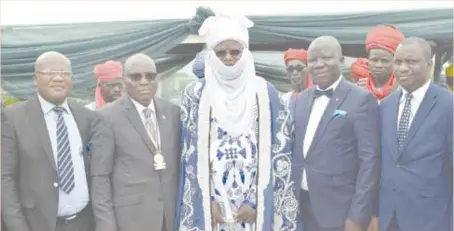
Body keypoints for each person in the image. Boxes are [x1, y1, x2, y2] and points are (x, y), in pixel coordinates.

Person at [175, 15, 298, 231]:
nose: (228, 58)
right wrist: (205, 202)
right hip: (213, 207)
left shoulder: (266, 92)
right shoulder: (195, 95)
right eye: (220, 52)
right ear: (211, 55)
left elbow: (280, 153)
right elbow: (189, 156)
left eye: (235, 52)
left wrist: (258, 201)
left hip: (254, 205)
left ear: (246, 53)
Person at [291, 36, 380, 231]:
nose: (319, 64)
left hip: (339, 212)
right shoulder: (301, 100)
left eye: (326, 58)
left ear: (341, 61)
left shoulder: (361, 100)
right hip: (301, 209)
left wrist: (358, 216)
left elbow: (369, 161)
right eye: (312, 60)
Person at [2, 51, 96, 231]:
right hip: (36, 224)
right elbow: (5, 179)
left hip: (84, 222)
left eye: (65, 73)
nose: (58, 78)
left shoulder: (86, 117)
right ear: (35, 78)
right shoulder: (13, 118)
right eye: (51, 73)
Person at [90, 53, 181, 231]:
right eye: (136, 77)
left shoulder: (173, 112)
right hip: (130, 220)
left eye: (150, 76)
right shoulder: (106, 117)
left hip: (171, 217)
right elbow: (100, 177)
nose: (144, 81)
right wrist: (106, 225)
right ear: (124, 81)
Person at [379, 37, 453, 231]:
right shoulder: (386, 106)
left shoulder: (448, 105)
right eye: (398, 62)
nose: (402, 68)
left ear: (429, 65)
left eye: (410, 62)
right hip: (390, 216)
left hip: (431, 217)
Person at [364, 25, 404, 101]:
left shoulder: (404, 90)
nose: (379, 65)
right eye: (374, 60)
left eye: (385, 61)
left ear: (395, 61)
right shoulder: (357, 89)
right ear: (368, 60)